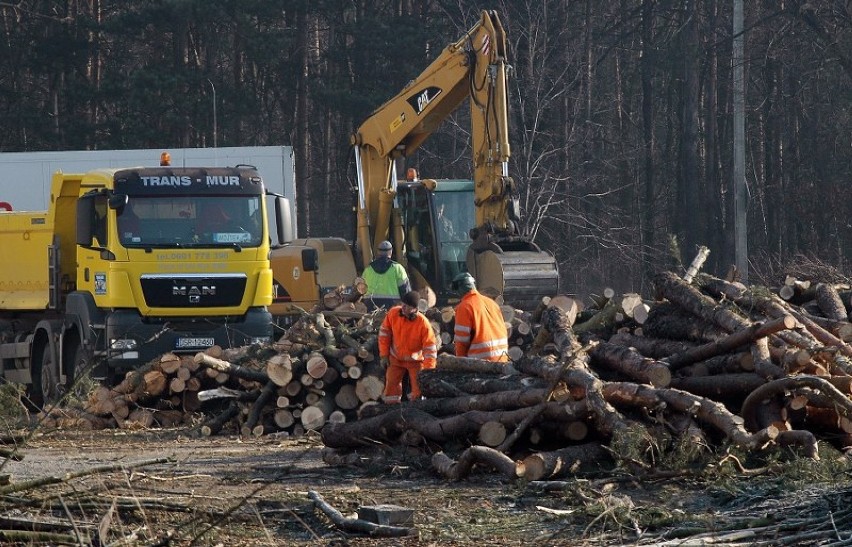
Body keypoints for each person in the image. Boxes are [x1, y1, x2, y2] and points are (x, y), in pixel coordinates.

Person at [378, 290, 438, 403]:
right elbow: (384, 334)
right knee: (391, 386)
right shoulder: (393, 313)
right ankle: (391, 409)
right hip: (395, 359)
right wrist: (384, 355)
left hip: (415, 362)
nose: (403, 308)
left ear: (415, 309)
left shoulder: (423, 323)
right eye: (403, 304)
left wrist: (428, 370)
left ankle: (416, 409)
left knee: (418, 388)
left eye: (407, 306)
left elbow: (430, 349)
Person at [452, 272, 509, 362]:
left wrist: (460, 364)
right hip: (502, 359)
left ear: (460, 288)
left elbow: (461, 341)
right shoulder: (492, 303)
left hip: (481, 362)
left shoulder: (464, 307)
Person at [362, 240, 411, 310]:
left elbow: (361, 289)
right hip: (392, 306)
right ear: (390, 252)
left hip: (370, 306)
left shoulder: (368, 269)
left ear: (378, 252)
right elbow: (405, 290)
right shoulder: (397, 268)